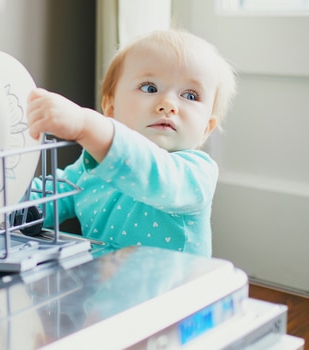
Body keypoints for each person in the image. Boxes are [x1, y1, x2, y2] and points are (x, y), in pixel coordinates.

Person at [26, 29, 237, 256]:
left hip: (174, 289)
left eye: (190, 96)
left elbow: (152, 172)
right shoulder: (90, 169)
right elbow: (45, 196)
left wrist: (86, 124)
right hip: (104, 285)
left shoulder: (196, 174)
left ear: (207, 128)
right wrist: (0, 195)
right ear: (111, 108)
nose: (167, 104)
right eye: (149, 88)